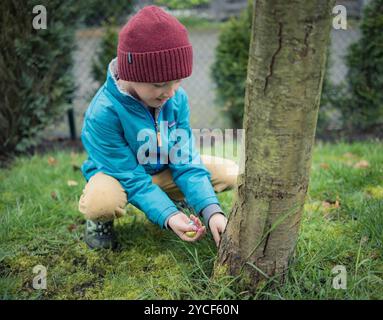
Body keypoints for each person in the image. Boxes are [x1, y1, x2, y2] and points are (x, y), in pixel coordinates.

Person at [78, 5, 238, 250]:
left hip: (162, 170)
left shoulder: (175, 98)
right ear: (132, 73)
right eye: (160, 83)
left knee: (230, 172)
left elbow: (185, 161)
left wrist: (211, 210)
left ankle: (182, 199)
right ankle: (100, 222)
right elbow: (132, 178)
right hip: (120, 178)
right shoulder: (102, 113)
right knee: (101, 202)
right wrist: (169, 216)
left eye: (178, 81)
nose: (170, 92)